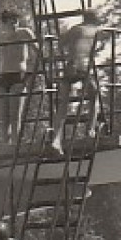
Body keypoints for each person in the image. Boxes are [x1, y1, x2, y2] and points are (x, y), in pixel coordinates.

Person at [47, 8, 106, 154]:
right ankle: (90, 131)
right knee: (95, 96)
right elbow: (105, 39)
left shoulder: (75, 29)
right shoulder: (96, 30)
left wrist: (68, 55)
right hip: (85, 67)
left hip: (71, 65)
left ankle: (56, 140)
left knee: (63, 104)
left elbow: (60, 44)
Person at [0, 9, 38, 143]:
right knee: (4, 116)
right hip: (3, 75)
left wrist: (31, 72)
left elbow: (37, 52)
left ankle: (15, 145)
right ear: (4, 23)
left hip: (18, 75)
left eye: (16, 21)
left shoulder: (24, 33)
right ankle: (4, 144)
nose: (14, 24)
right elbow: (3, 57)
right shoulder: (2, 36)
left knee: (15, 116)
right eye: (10, 21)